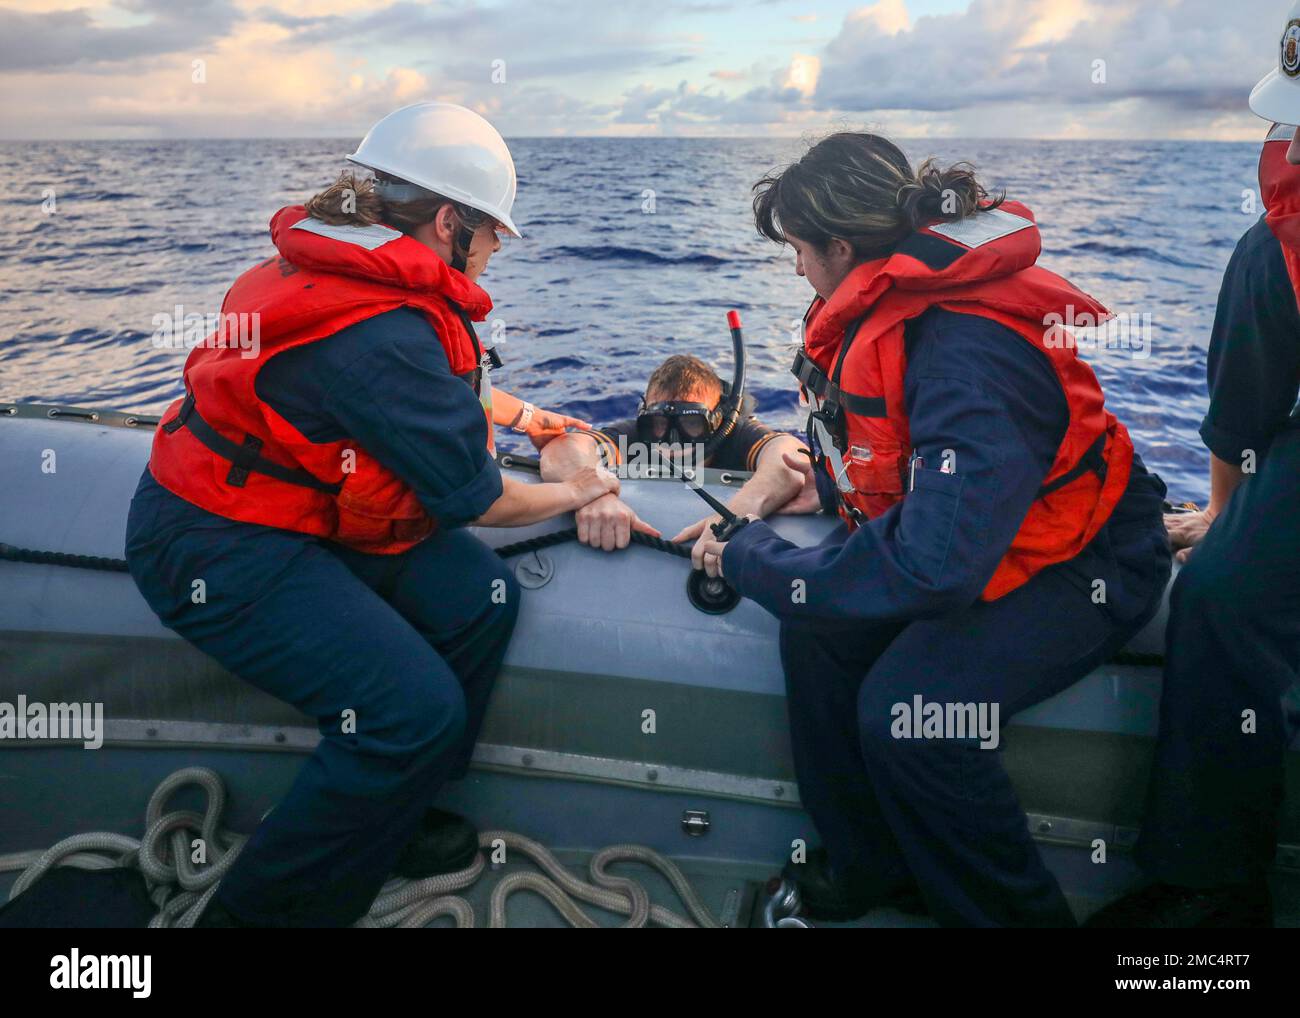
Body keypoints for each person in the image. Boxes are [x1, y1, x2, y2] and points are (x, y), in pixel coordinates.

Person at [123, 102, 618, 927]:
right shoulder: (380, 328)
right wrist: (582, 489)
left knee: (478, 600)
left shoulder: (352, 273)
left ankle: (398, 815)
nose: (497, 249)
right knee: (409, 715)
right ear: (450, 221)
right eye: (493, 230)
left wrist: (537, 422)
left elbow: (433, 392)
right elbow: (480, 498)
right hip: (212, 538)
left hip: (292, 510)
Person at [695, 132, 1171, 927]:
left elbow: (934, 567)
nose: (799, 271)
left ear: (842, 248)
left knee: (913, 715)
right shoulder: (890, 307)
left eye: (800, 252)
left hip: (1086, 556)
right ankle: (874, 869)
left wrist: (754, 560)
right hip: (984, 534)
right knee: (816, 635)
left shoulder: (965, 349)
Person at [1086, 3, 1300, 929]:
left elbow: (1242, 420)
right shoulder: (1275, 253)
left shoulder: (1271, 253)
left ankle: (1213, 883)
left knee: (1216, 597)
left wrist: (1226, 522)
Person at [540, 353, 814, 553]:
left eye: (692, 424)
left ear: (719, 421)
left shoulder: (737, 434)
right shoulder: (637, 435)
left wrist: (734, 516)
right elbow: (563, 449)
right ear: (645, 418)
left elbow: (791, 458)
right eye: (660, 424)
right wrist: (592, 494)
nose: (673, 440)